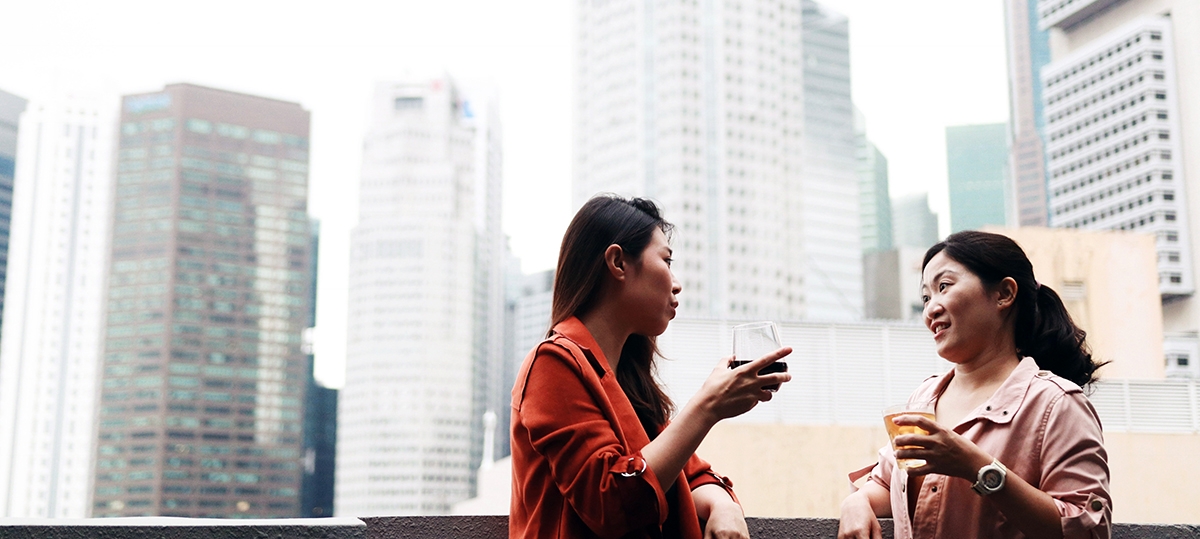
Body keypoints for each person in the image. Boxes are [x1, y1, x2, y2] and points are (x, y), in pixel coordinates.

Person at [510, 195, 792, 539]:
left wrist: (723, 505)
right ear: (618, 262)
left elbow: (689, 475)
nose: (676, 283)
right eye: (667, 260)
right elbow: (613, 503)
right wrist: (708, 407)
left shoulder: (628, 384)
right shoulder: (552, 364)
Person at [838, 230, 1111, 539]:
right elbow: (887, 482)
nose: (931, 308)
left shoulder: (1056, 404)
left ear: (1004, 294)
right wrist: (857, 501)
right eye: (926, 297)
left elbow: (1088, 530)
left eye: (944, 287)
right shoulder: (925, 398)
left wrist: (977, 467)